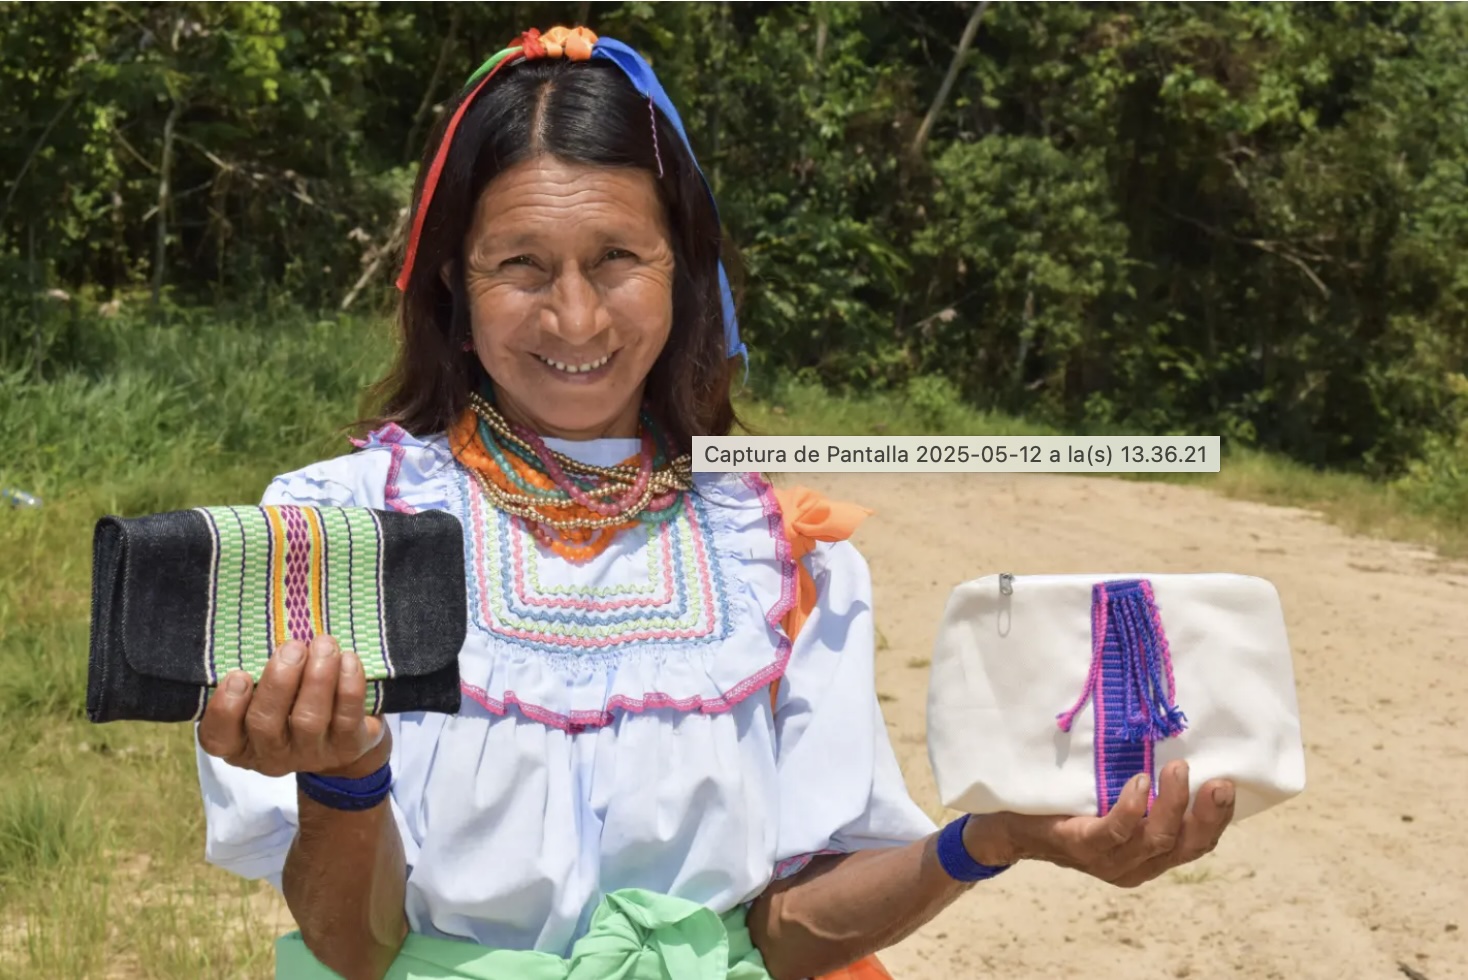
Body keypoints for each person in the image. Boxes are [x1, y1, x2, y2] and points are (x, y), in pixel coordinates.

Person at [193, 26, 1236, 980]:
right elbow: (354, 945)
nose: (573, 313)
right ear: (452, 293)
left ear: (685, 275)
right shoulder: (331, 540)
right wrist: (343, 777)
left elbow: (784, 932)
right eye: (519, 264)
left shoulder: (779, 557)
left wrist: (992, 837)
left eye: (616, 259)